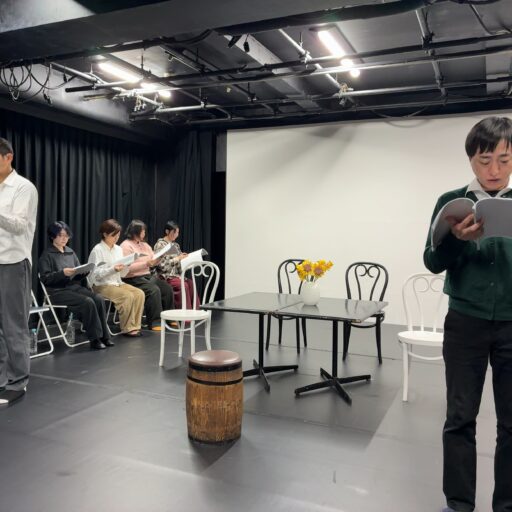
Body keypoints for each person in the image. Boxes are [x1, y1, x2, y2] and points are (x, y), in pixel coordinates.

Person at [424, 116, 512, 512]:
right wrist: (457, 240)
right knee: (460, 417)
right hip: (465, 323)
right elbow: (431, 262)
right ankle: (458, 505)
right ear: (471, 159)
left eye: (504, 160)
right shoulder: (452, 201)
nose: (494, 170)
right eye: (484, 160)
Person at [0, 137, 38, 406]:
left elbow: (19, 226)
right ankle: (2, 377)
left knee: (14, 325)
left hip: (13, 262)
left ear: (8, 157)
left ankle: (17, 381)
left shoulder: (23, 187)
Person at [38, 221, 114, 350]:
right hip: (57, 291)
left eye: (66, 235)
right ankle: (95, 338)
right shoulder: (47, 255)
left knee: (98, 298)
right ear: (52, 236)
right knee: (88, 302)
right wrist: (62, 273)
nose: (64, 238)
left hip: (73, 287)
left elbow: (77, 272)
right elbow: (46, 279)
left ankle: (104, 336)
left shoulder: (70, 252)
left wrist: (84, 272)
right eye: (60, 235)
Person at [88, 219, 145, 337]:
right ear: (105, 234)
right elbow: (94, 275)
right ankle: (128, 328)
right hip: (101, 285)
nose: (116, 238)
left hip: (116, 283)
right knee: (127, 296)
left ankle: (135, 326)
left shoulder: (118, 249)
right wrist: (113, 269)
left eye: (118, 235)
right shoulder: (97, 250)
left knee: (139, 293)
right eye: (114, 235)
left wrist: (127, 265)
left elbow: (122, 275)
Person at [120, 220, 174, 331]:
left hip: (146, 276)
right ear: (135, 231)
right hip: (132, 278)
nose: (144, 233)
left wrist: (160, 257)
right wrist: (146, 264)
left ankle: (169, 317)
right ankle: (155, 322)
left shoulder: (145, 245)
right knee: (153, 290)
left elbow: (153, 259)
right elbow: (126, 268)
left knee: (167, 289)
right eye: (142, 231)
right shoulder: (126, 246)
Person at [153, 220, 199, 310]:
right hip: (165, 276)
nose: (176, 235)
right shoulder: (160, 244)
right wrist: (177, 259)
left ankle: (195, 312)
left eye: (177, 232)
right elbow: (162, 265)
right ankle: (184, 314)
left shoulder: (176, 245)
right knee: (182, 285)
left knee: (190, 283)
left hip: (176, 275)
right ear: (167, 231)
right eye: (174, 232)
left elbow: (178, 265)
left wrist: (185, 260)